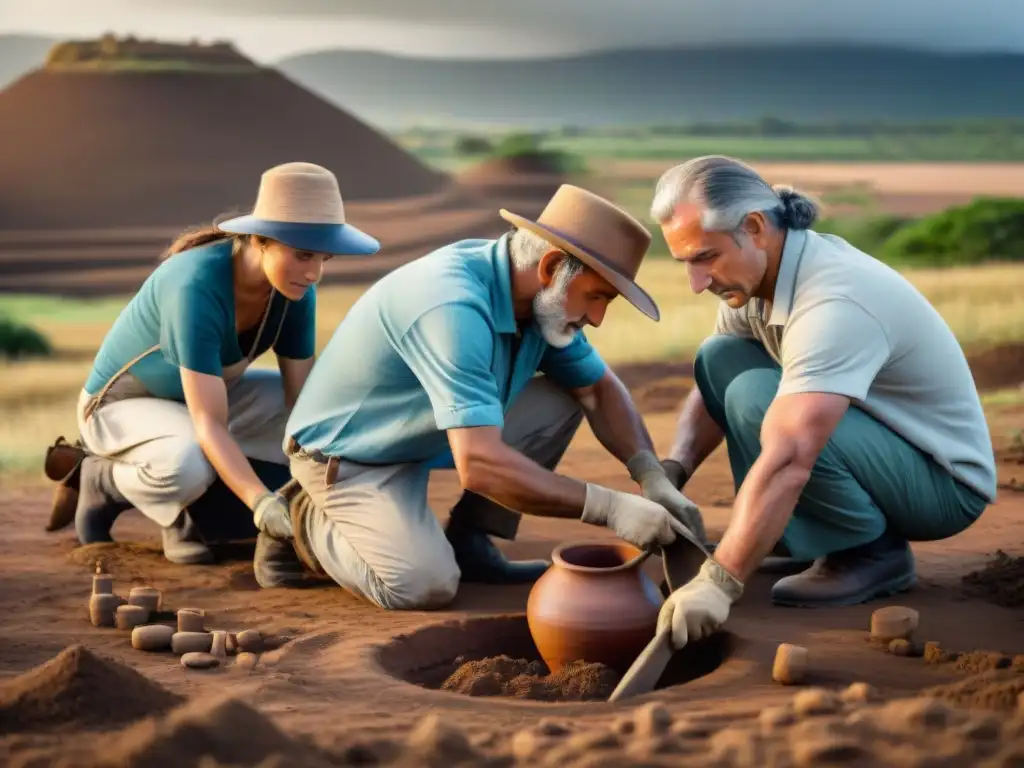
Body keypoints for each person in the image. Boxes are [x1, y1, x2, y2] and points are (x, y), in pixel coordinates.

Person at [252, 184, 707, 608]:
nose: (599, 317)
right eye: (597, 296)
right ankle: (301, 524)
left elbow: (598, 388)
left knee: (562, 399)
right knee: (421, 585)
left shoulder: (541, 301)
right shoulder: (453, 305)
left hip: (421, 435)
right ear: (551, 268)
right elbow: (480, 464)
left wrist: (650, 475)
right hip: (347, 459)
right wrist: (609, 508)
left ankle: (472, 537)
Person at [644, 155, 997, 650]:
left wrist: (719, 581)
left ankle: (868, 554)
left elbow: (791, 454)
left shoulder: (834, 301)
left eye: (706, 257)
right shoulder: (761, 281)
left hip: (942, 482)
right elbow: (711, 389)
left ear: (754, 227)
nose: (697, 282)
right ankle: (804, 533)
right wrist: (673, 470)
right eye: (686, 263)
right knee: (721, 357)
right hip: (878, 443)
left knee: (756, 396)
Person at [47, 162, 380, 565]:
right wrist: (260, 503)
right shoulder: (195, 285)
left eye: (324, 257)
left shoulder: (295, 290)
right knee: (187, 461)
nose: (314, 273)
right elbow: (208, 424)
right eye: (303, 254)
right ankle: (102, 481)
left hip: (205, 399)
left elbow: (302, 404)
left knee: (310, 427)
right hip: (119, 406)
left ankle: (207, 514)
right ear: (260, 239)